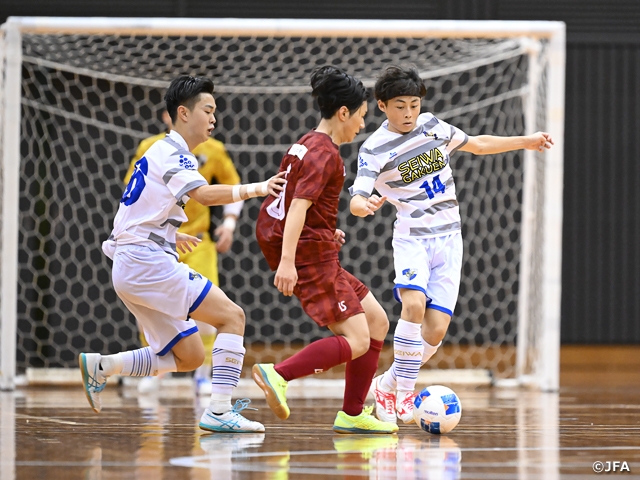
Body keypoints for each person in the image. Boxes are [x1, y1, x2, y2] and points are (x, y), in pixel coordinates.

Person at [79, 75, 285, 433]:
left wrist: (170, 235)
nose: (214, 118)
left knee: (189, 356)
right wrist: (258, 188)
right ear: (183, 113)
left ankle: (104, 366)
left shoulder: (158, 151)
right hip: (145, 262)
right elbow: (203, 195)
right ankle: (219, 411)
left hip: (132, 263)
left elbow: (135, 211)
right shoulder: (173, 153)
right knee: (232, 317)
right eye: (208, 110)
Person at [349, 65, 554, 424]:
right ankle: (404, 393)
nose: (409, 113)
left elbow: (478, 145)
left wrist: (527, 141)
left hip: (449, 238)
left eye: (414, 104)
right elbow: (358, 194)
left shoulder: (433, 126)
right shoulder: (374, 148)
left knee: (436, 330)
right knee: (413, 304)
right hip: (412, 239)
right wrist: (361, 206)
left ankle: (387, 382)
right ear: (382, 105)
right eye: (400, 106)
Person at [251, 66, 398, 434]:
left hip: (315, 246)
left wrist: (326, 231)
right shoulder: (325, 153)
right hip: (308, 255)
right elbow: (297, 206)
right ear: (343, 112)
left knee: (377, 321)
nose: (362, 125)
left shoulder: (306, 142)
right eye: (361, 116)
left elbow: (295, 201)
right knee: (358, 339)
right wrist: (288, 262)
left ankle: (352, 414)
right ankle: (278, 374)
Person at [124, 110, 244, 395]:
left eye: (212, 111)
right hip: (160, 243)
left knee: (210, 311)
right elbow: (132, 191)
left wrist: (229, 223)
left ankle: (203, 374)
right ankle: (157, 370)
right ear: (172, 114)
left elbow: (233, 184)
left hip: (198, 242)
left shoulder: (213, 149)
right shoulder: (151, 148)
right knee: (150, 308)